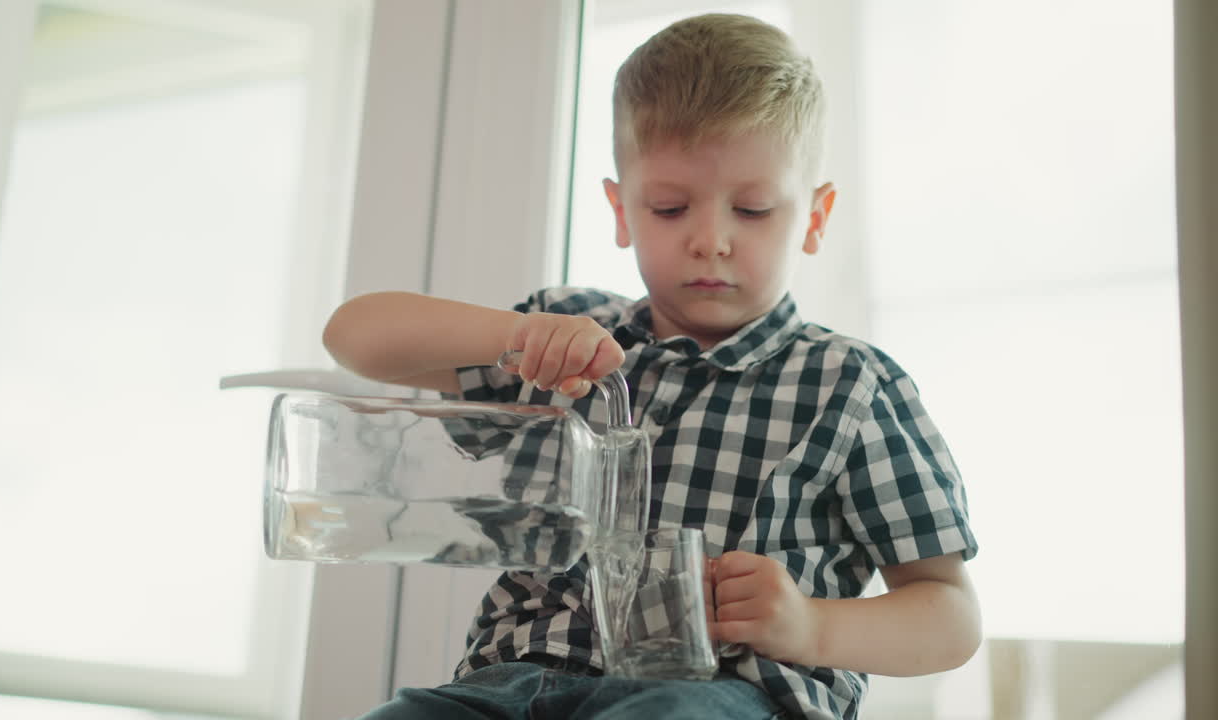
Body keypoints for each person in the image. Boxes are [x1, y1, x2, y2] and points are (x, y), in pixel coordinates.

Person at [324, 13, 980, 720]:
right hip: (512, 684)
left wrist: (813, 625)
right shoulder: (562, 337)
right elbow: (353, 335)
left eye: (753, 210)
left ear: (815, 218)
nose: (711, 241)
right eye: (670, 209)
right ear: (621, 210)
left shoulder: (850, 387)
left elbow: (949, 616)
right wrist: (513, 333)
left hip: (727, 695)